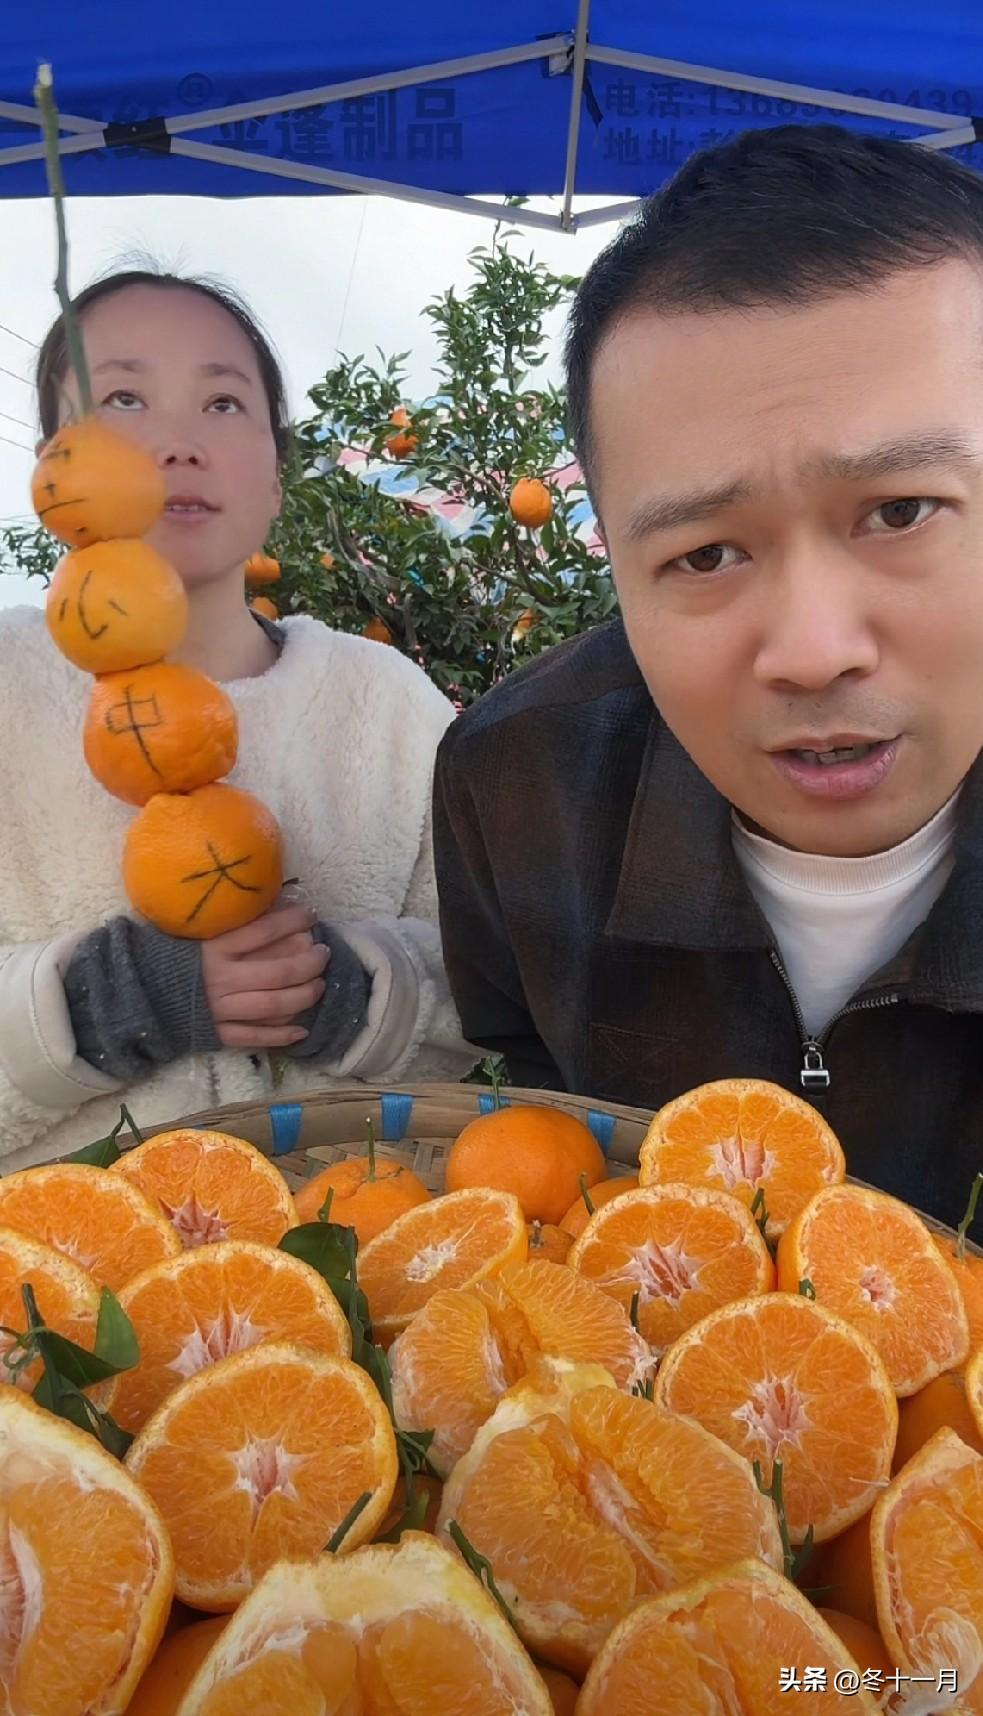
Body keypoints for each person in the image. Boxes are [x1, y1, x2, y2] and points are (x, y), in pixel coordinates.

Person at [433, 123, 983, 1231]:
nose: (812, 651)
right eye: (704, 555)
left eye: (899, 511)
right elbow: (527, 1082)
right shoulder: (516, 783)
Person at [0, 267, 476, 1169]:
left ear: (276, 479)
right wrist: (109, 1002)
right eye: (124, 398)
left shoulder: (384, 704)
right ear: (53, 465)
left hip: (357, 1237)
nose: (178, 443)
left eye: (222, 403)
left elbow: (487, 975)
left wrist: (356, 998)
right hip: (56, 1247)